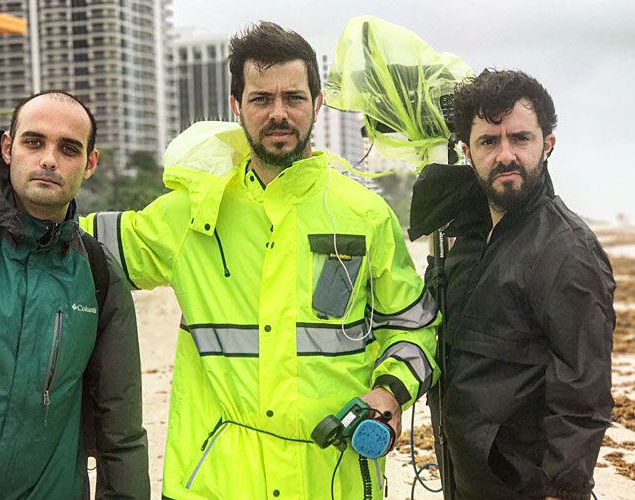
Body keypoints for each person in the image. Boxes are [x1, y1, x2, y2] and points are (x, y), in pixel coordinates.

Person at [80, 22, 439, 499]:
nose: (278, 114)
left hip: (331, 479)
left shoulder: (366, 215)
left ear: (317, 103)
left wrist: (389, 392)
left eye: (293, 97)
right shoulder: (191, 213)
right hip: (216, 482)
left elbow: (413, 326)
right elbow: (71, 240)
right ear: (236, 107)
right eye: (260, 99)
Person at [0, 91, 149, 498]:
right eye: (34, 142)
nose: (49, 159)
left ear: (90, 164)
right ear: (8, 147)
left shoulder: (100, 276)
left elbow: (120, 431)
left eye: (68, 149)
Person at [420, 70, 615, 499]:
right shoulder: (467, 237)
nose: (505, 155)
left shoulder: (567, 252)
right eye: (489, 142)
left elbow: (583, 401)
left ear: (547, 146)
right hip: (466, 477)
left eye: (520, 138)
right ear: (467, 152)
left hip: (528, 488)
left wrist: (563, 492)